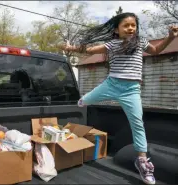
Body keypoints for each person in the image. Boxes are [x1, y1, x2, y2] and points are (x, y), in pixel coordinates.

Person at [61, 12, 178, 185]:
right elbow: (90, 50)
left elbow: (156, 50)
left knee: (138, 123)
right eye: (126, 25)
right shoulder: (113, 44)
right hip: (111, 84)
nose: (131, 28)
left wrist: (169, 37)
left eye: (133, 25)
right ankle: (83, 100)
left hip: (131, 90)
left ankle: (142, 161)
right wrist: (71, 48)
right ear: (117, 29)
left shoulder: (141, 42)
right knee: (85, 100)